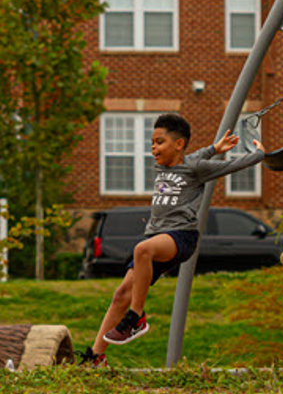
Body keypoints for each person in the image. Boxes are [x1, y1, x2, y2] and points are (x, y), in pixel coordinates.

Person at [79, 113, 264, 367]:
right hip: (158, 238)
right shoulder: (169, 164)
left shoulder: (196, 169)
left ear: (178, 144)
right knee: (120, 294)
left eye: (159, 142)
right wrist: (214, 148)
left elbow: (228, 166)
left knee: (142, 249)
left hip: (181, 237)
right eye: (152, 142)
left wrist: (259, 154)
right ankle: (96, 357)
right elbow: (193, 156)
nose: (153, 148)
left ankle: (137, 316)